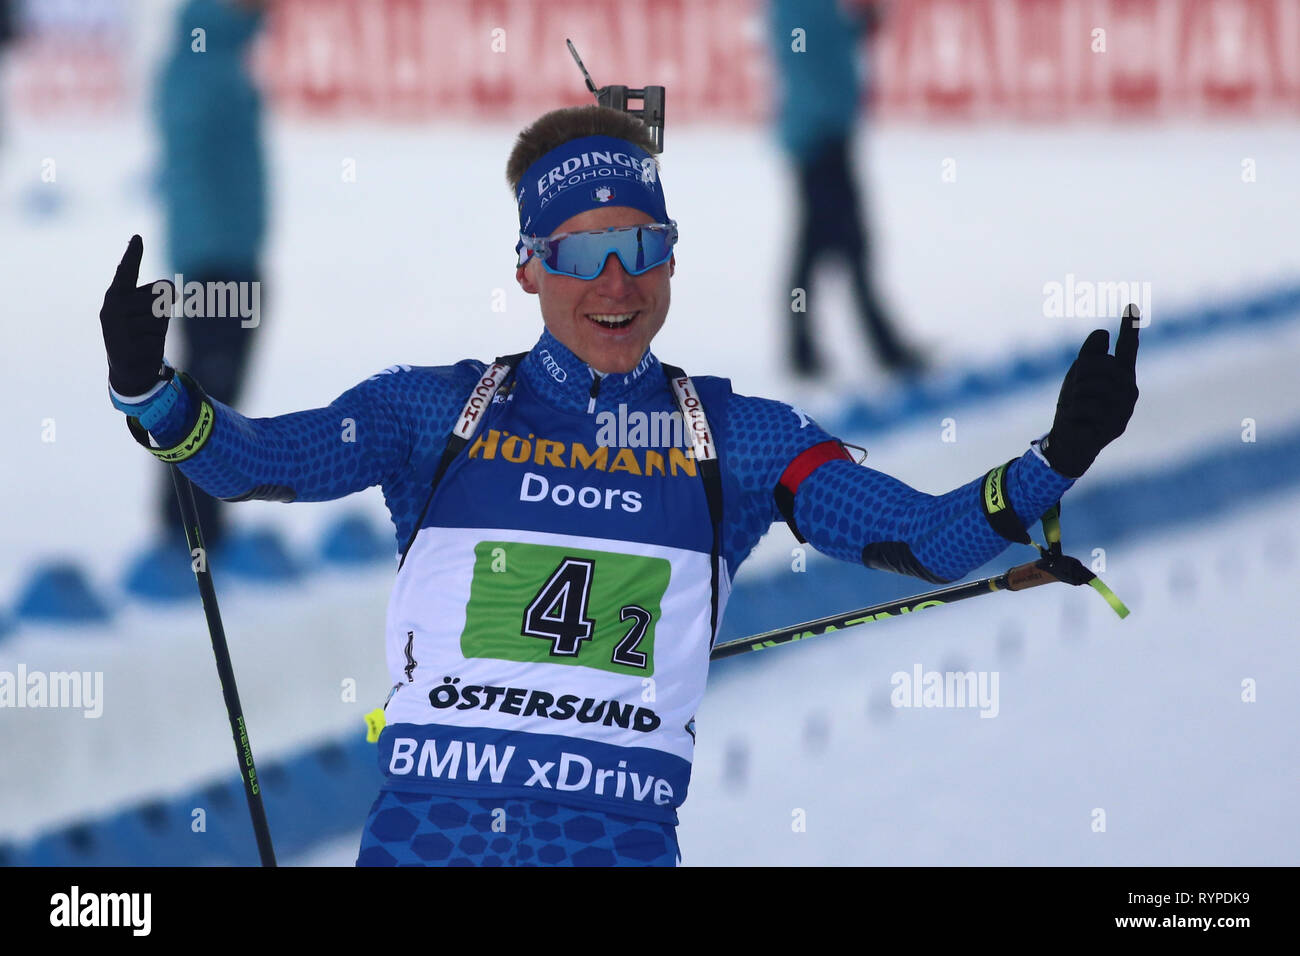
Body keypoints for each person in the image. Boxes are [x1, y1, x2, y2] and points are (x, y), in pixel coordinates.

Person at [97, 105, 1139, 867]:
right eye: (584, 251)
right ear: (528, 267)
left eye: (643, 246)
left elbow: (919, 538)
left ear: (671, 261)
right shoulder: (436, 412)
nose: (615, 283)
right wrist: (149, 390)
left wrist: (1052, 458)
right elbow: (262, 460)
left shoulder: (734, 436)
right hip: (427, 841)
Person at [126, 0, 270, 598]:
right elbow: (186, 160)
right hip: (216, 262)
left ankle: (200, 528)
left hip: (226, 256)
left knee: (217, 395)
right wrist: (214, 254)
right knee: (205, 396)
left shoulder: (220, 56)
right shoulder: (200, 60)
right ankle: (186, 534)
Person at [769, 0, 925, 376]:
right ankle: (882, 348)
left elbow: (826, 46)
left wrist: (857, 26)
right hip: (820, 139)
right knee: (847, 245)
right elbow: (811, 59)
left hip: (823, 136)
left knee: (818, 247)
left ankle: (806, 351)